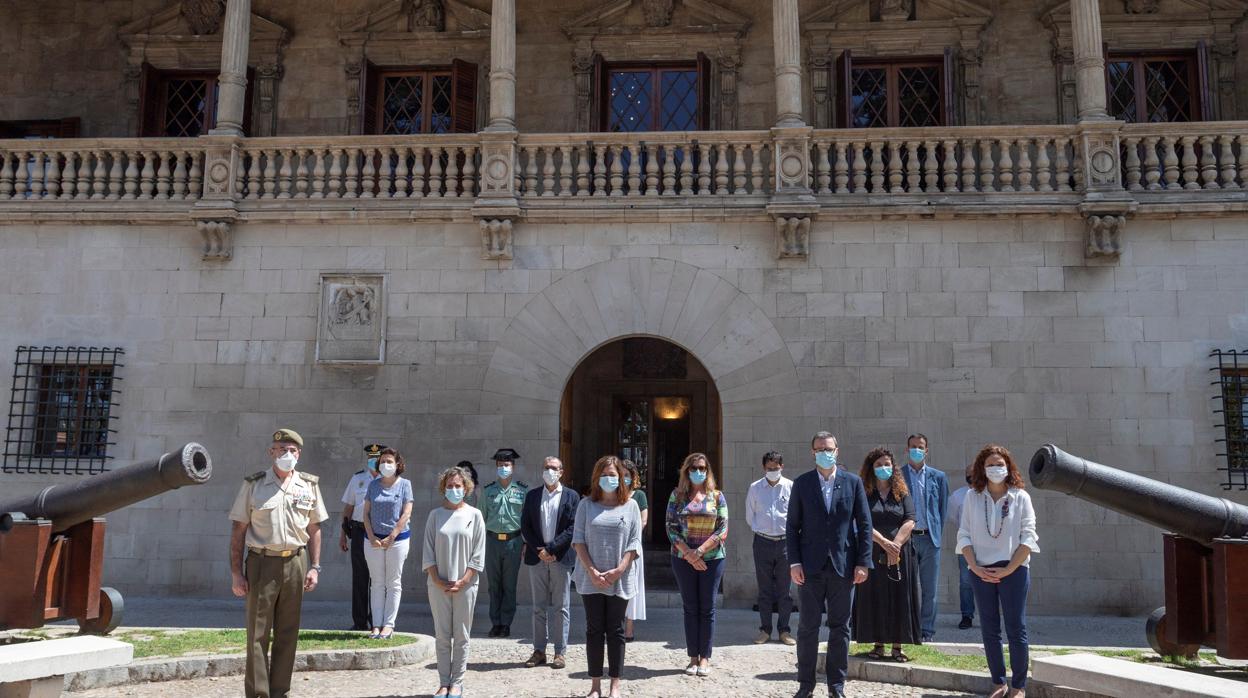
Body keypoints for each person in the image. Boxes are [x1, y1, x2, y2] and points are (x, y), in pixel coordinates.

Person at [228, 428, 328, 698]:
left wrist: (315, 566)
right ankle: (259, 693)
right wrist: (237, 573)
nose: (287, 454)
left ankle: (280, 691)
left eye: (292, 450)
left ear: (300, 454)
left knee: (288, 631)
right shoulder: (254, 484)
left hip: (296, 561)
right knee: (257, 634)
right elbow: (238, 529)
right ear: (271, 452)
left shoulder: (309, 485)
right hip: (262, 563)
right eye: (281, 449)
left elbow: (315, 527)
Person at [787, 431, 872, 698]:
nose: (825, 452)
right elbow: (792, 527)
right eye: (820, 448)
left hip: (843, 565)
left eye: (829, 448)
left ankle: (836, 686)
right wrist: (795, 562)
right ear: (813, 452)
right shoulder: (802, 484)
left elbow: (865, 525)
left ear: (837, 450)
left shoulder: (852, 483)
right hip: (810, 567)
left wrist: (863, 562)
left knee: (840, 628)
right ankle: (806, 685)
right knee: (807, 628)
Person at [957, 445, 1039, 698]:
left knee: (1016, 628)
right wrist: (975, 566)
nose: (996, 469)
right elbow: (964, 535)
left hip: (1013, 570)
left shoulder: (1020, 497)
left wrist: (1009, 569)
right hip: (980, 570)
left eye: (1000, 464)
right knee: (989, 628)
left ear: (1008, 467)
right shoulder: (973, 497)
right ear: (982, 468)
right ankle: (998, 681)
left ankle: (1019, 685)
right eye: (990, 464)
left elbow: (1029, 537)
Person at [572, 455, 642, 698]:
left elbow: (634, 542)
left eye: (613, 475)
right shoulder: (585, 505)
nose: (609, 479)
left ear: (621, 478)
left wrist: (620, 569)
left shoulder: (631, 506)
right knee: (594, 630)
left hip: (620, 578)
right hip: (590, 578)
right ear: (596, 477)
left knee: (616, 629)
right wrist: (592, 571)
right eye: (604, 475)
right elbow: (578, 540)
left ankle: (615, 683)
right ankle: (594, 684)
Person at [422, 466, 487, 698]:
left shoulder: (475, 515)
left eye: (458, 486)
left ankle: (457, 682)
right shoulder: (434, 516)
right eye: (449, 486)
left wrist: (465, 579)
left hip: (466, 585)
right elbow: (427, 551)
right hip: (438, 584)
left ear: (466, 488)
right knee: (442, 635)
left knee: (461, 635)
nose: (453, 489)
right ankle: (443, 682)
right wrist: (437, 579)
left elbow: (478, 554)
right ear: (443, 488)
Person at [852, 447, 921, 661]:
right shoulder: (864, 493)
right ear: (871, 468)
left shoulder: (902, 492)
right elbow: (862, 521)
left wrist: (896, 545)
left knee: (900, 595)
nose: (884, 468)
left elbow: (910, 519)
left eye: (887, 464)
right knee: (876, 595)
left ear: (894, 467)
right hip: (872, 551)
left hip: (900, 553)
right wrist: (884, 543)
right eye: (879, 464)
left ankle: (898, 646)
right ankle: (878, 643)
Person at [666, 452, 729, 677]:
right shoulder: (677, 496)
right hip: (683, 559)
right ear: (686, 471)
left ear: (708, 471)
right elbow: (671, 527)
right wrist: (689, 555)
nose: (698, 472)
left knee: (707, 608)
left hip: (712, 559)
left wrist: (700, 552)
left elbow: (723, 528)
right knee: (690, 608)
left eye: (702, 468)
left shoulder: (717, 496)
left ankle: (705, 658)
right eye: (694, 468)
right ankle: (693, 657)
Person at [520, 456, 581, 670]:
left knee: (561, 607)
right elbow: (525, 526)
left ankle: (559, 652)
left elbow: (573, 527)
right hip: (537, 558)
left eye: (554, 468)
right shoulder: (533, 495)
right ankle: (539, 651)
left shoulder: (572, 496)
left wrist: (552, 548)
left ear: (561, 472)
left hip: (560, 557)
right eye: (546, 467)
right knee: (538, 607)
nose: (549, 471)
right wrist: (540, 550)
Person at [900, 433, 948, 642]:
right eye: (913, 446)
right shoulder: (898, 475)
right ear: (907, 449)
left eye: (920, 446)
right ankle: (909, 628)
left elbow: (942, 509)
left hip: (930, 539)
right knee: (907, 587)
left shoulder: (938, 476)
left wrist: (936, 531)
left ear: (927, 450)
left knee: (929, 588)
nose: (916, 450)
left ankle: (927, 630)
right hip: (907, 540)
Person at [362, 447, 414, 639]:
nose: (386, 464)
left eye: (390, 461)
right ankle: (376, 625)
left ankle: (389, 625)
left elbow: (406, 512)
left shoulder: (405, 484)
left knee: (393, 583)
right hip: (372, 539)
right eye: (383, 461)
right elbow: (365, 513)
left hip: (397, 540)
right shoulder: (373, 485)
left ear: (398, 464)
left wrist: (392, 536)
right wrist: (371, 536)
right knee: (376, 583)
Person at [745, 450, 794, 646]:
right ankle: (765, 629)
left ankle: (784, 630)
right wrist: (761, 529)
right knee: (764, 589)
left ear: (781, 467)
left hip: (785, 542)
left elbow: (796, 514)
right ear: (763, 468)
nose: (772, 471)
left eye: (775, 468)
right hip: (763, 541)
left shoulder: (790, 486)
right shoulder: (755, 488)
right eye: (769, 468)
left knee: (785, 590)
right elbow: (750, 515)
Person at [481, 448, 527, 638]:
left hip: (513, 542)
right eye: (500, 465)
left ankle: (506, 623)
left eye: (507, 465)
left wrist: (525, 544)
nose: (503, 468)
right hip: (492, 541)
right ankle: (495, 622)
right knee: (493, 585)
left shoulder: (522, 491)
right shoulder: (488, 490)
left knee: (509, 585)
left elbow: (526, 520)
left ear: (513, 467)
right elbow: (480, 518)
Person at [339, 443, 384, 631]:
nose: (373, 461)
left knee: (378, 579)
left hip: (380, 532)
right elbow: (348, 507)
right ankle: (359, 623)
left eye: (377, 458)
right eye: (370, 458)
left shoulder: (389, 480)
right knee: (359, 577)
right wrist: (343, 534)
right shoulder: (357, 479)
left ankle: (377, 621)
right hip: (358, 531)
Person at [948, 463, 978, 630]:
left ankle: (990, 617)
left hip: (987, 546)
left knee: (991, 581)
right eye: (969, 473)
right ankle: (967, 615)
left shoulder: (989, 494)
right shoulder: (957, 496)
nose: (972, 476)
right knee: (966, 582)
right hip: (966, 545)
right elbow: (954, 518)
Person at [621, 459, 647, 643]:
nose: (624, 479)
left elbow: (643, 521)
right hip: (613, 548)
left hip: (632, 547)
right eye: (620, 475)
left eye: (627, 475)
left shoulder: (639, 496)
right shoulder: (611, 495)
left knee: (631, 586)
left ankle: (629, 628)